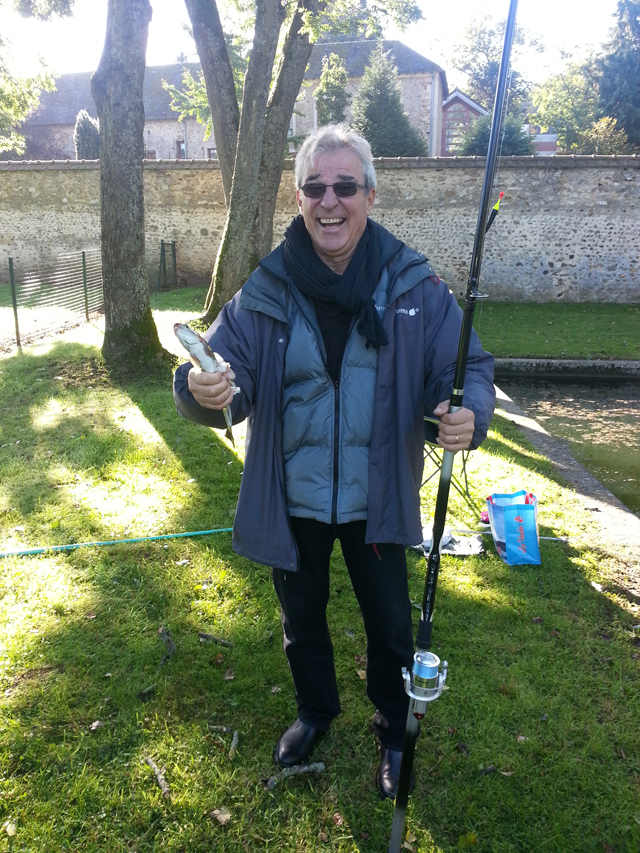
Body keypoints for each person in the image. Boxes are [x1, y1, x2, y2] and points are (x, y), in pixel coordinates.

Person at [173, 124, 495, 799]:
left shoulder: (412, 284)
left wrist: (466, 409)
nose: (329, 201)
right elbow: (221, 368)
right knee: (302, 619)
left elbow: (466, 367)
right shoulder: (266, 287)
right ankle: (315, 711)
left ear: (370, 195)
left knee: (391, 624)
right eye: (314, 187)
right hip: (294, 496)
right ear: (297, 198)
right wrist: (202, 388)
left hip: (378, 499)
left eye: (344, 186)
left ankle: (393, 727)